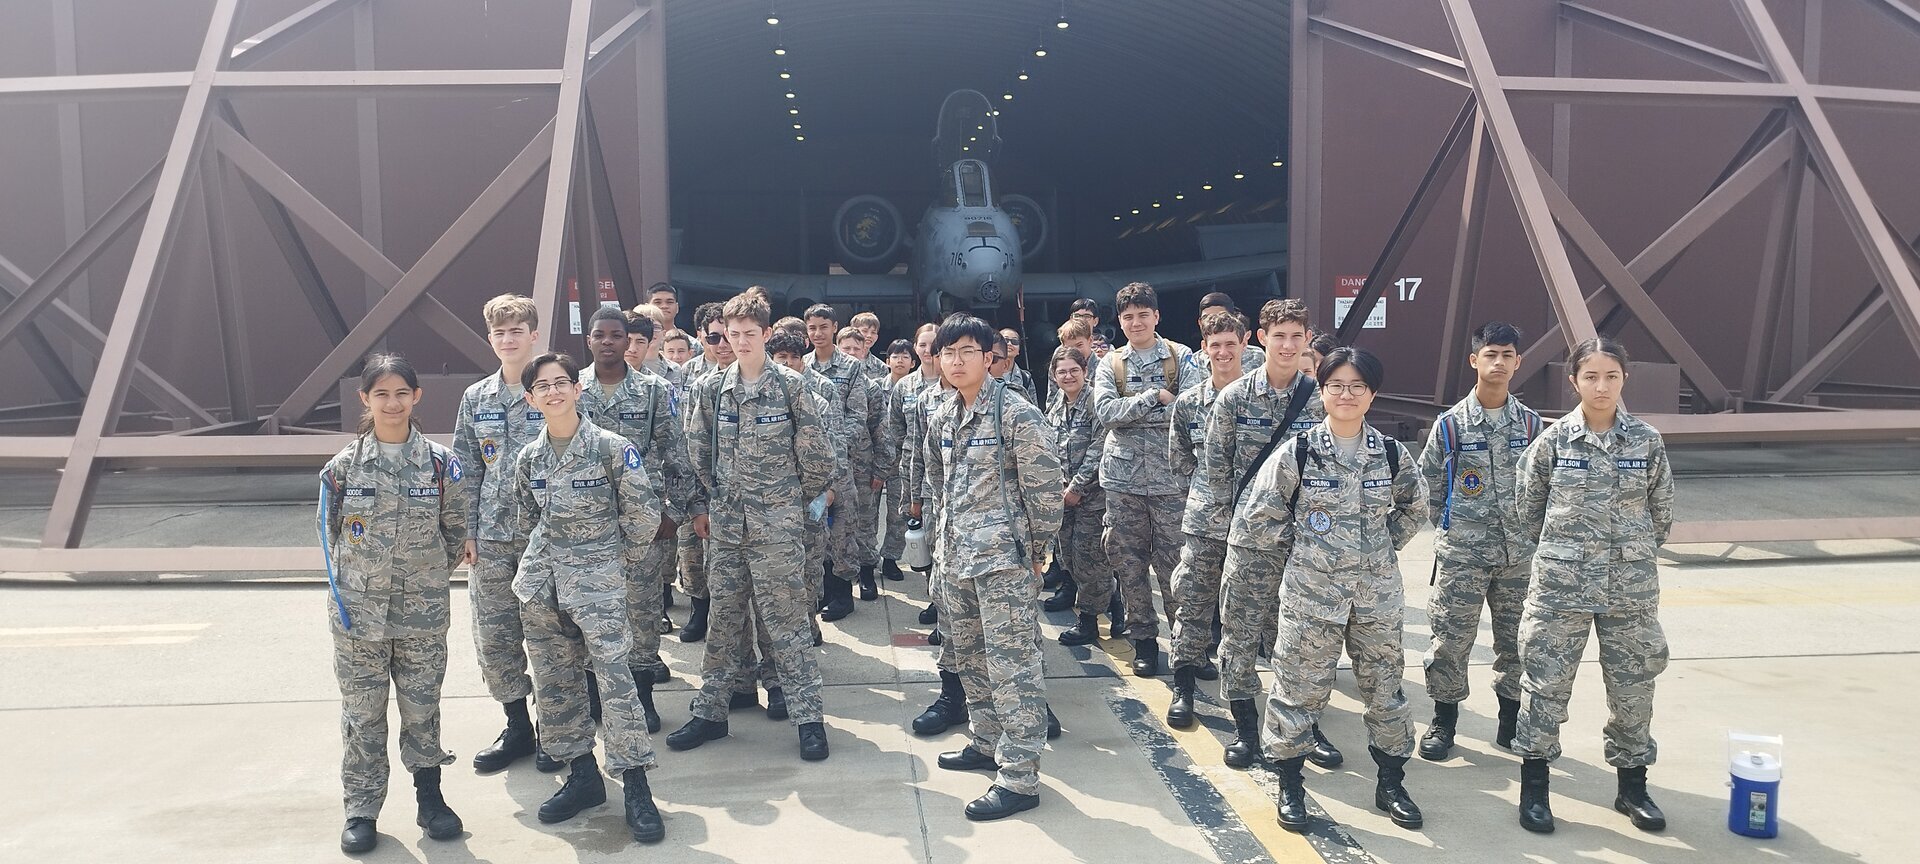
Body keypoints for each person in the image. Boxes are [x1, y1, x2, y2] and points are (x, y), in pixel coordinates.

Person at [1233, 347, 1428, 833]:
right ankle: (1291, 785)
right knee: (1296, 692)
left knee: (1385, 690)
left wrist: (1378, 549)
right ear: (1322, 392)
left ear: (1372, 395)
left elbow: (1415, 506)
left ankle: (1390, 783)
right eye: (1336, 385)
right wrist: (1304, 553)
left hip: (1375, 598)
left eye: (1357, 386)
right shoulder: (1298, 452)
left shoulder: (1390, 453)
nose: (1346, 394)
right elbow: (1260, 515)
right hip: (1310, 598)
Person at [1512, 337, 1673, 835]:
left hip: (1630, 590)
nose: (1601, 386)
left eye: (1611, 376)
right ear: (1573, 380)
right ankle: (1535, 789)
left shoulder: (1646, 441)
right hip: (1560, 591)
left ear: (1624, 379)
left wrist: (1627, 553)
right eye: (1591, 376)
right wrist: (1566, 555)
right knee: (1545, 687)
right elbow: (1526, 509)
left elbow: (1661, 513)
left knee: (1634, 688)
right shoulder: (1553, 442)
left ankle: (1632, 787)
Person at [669, 291, 838, 762]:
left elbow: (818, 458)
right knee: (723, 621)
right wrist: (716, 499)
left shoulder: (790, 387)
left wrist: (786, 501)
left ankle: (809, 719)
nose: (740, 343)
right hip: (726, 528)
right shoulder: (708, 389)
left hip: (778, 529)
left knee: (788, 624)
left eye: (749, 334)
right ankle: (712, 712)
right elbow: (696, 454)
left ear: (766, 334)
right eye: (732, 334)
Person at [508, 351, 668, 844]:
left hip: (598, 587)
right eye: (543, 387)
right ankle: (581, 775)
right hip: (541, 589)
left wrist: (607, 564)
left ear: (577, 390)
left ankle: (636, 784)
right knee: (556, 687)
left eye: (562, 383)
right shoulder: (529, 457)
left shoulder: (610, 448)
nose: (553, 392)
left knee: (617, 686)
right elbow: (525, 520)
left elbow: (644, 517)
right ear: (531, 399)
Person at [921, 313, 1065, 821]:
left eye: (966, 351)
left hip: (1003, 563)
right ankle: (985, 741)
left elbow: (1045, 493)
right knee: (970, 658)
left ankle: (1020, 776)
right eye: (947, 353)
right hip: (956, 559)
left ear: (990, 358)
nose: (956, 361)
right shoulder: (941, 416)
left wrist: (1037, 552)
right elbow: (937, 484)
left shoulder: (1017, 415)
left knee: (1014, 668)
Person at [322, 354, 468, 854]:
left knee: (422, 706)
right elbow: (330, 539)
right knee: (363, 713)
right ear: (365, 399)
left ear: (417, 397)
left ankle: (430, 798)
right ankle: (361, 809)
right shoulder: (341, 468)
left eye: (401, 392)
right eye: (380, 394)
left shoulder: (440, 463)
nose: (392, 402)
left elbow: (455, 533)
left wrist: (420, 577)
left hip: (421, 613)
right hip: (358, 617)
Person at [1416, 322, 1541, 761]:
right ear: (1474, 360)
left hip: (1518, 559)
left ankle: (1509, 723)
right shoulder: (1450, 425)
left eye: (1507, 355)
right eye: (1491, 354)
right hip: (1462, 559)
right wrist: (1455, 529)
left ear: (1518, 361)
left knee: (1518, 643)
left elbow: (1544, 486)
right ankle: (1444, 721)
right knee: (1450, 640)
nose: (1499, 363)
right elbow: (1427, 485)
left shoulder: (1531, 426)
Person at [578, 308, 702, 732]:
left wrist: (674, 511)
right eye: (602, 335)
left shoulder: (654, 391)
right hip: (585, 526)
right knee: (590, 612)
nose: (610, 342)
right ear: (589, 340)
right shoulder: (571, 388)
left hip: (641, 525)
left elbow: (678, 454)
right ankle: (595, 698)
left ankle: (643, 697)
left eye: (619, 335)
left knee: (643, 613)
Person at [452, 294, 555, 773]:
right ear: (490, 339)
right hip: (492, 538)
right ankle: (517, 725)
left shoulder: (555, 389)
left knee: (551, 634)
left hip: (547, 536)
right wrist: (466, 531)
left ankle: (557, 727)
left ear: (534, 334)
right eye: (500, 333)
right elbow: (466, 468)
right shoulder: (476, 399)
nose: (508, 340)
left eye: (517, 330)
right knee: (495, 636)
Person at [1089, 281, 1201, 677]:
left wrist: (1133, 411)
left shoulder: (1181, 357)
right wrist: (1153, 398)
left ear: (1156, 316)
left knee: (1177, 568)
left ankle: (1189, 647)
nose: (1135, 322)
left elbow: (1190, 412)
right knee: (1129, 564)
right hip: (1123, 482)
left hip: (1171, 481)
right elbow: (1105, 413)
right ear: (1120, 321)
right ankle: (1145, 641)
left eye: (1142, 314)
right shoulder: (1110, 363)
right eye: (1128, 316)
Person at [1161, 311, 1247, 727]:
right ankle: (1184, 686)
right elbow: (1178, 461)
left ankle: (1243, 702)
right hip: (1204, 523)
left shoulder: (1260, 397)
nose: (1224, 352)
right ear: (1204, 349)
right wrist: (1204, 497)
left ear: (1245, 344)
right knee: (1191, 605)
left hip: (1255, 528)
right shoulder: (1190, 403)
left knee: (1245, 615)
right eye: (1216, 345)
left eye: (1231, 343)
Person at [805, 303, 874, 617]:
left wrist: (832, 446)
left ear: (834, 327)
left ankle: (843, 595)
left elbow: (857, 414)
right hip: (809, 468)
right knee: (815, 526)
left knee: (842, 530)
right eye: (812, 328)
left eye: (823, 326)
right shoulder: (800, 367)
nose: (817, 333)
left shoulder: (851, 367)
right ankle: (822, 592)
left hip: (841, 467)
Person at [676, 302, 736, 644]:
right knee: (693, 556)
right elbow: (687, 440)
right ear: (701, 338)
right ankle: (700, 608)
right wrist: (696, 500)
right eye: (714, 337)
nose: (723, 344)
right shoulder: (689, 376)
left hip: (735, 492)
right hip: (697, 486)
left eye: (729, 336)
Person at [1047, 346, 1116, 638]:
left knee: (1091, 561)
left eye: (1074, 370)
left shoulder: (1094, 403)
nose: (1068, 376)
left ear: (1085, 372)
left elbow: (1099, 448)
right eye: (1062, 371)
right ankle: (1116, 604)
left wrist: (1076, 486)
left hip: (1091, 498)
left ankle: (1089, 622)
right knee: (1068, 558)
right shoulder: (1055, 405)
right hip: (1063, 498)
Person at [1193, 292, 1265, 374]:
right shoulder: (1193, 363)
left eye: (1220, 316)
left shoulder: (1256, 356)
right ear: (1199, 322)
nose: (1213, 321)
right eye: (1206, 317)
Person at [999, 327, 1038, 399]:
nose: (1010, 344)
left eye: (1014, 341)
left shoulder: (1025, 377)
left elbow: (1033, 406)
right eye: (1005, 340)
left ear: (1018, 351)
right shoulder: (985, 374)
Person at [852, 311, 890, 380]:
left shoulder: (881, 367)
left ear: (876, 337)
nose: (869, 335)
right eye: (865, 331)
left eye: (873, 332)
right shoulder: (841, 361)